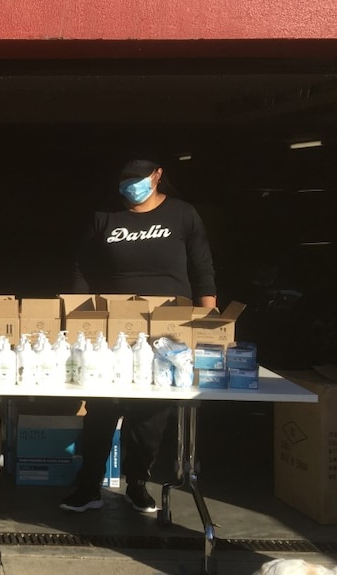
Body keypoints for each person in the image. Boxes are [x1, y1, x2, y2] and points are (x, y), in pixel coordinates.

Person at [61, 158, 217, 514]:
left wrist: (209, 322)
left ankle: (137, 483)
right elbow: (82, 268)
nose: (130, 187)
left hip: (169, 326)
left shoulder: (183, 214)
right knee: (102, 405)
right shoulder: (105, 216)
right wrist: (79, 317)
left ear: (158, 175)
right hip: (116, 324)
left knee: (152, 414)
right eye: (124, 181)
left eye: (137, 179)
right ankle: (88, 487)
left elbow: (202, 267)